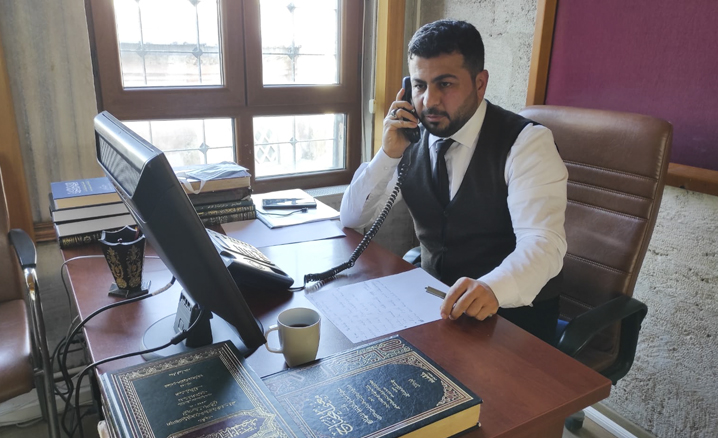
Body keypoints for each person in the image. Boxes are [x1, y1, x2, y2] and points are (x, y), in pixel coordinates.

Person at [340, 20, 568, 344]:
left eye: (445, 84)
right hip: (433, 309)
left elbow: (544, 244)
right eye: (419, 85)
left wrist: (493, 287)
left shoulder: (527, 144)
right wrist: (387, 155)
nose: (429, 101)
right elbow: (352, 218)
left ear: (480, 83)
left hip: (510, 321)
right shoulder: (411, 137)